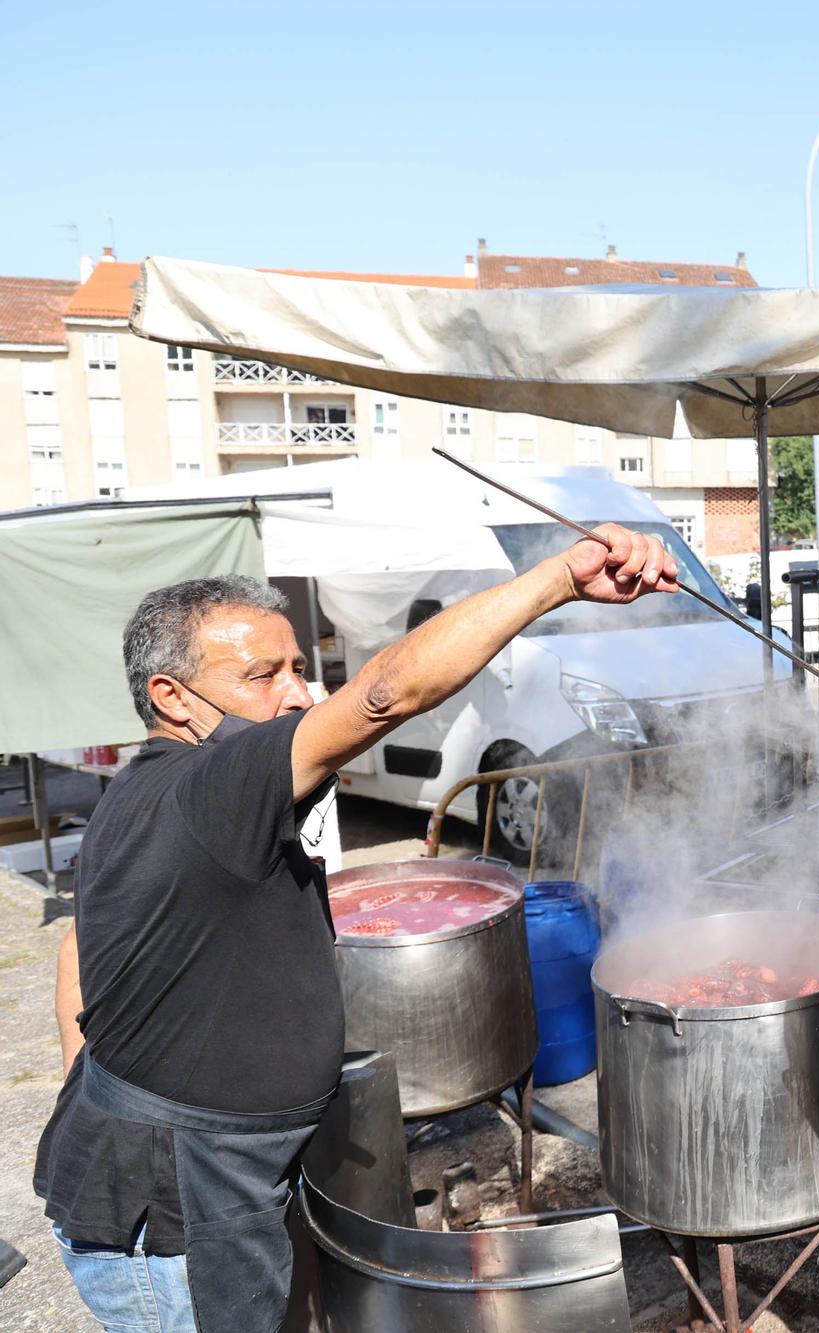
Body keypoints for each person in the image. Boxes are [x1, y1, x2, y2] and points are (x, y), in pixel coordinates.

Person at [37, 527, 678, 1333]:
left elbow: (75, 952)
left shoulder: (146, 796)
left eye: (300, 667)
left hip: (210, 1178)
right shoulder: (213, 783)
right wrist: (559, 580)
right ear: (171, 695)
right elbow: (385, 695)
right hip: (176, 1212)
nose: (301, 693)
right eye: (262, 675)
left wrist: (99, 1087)